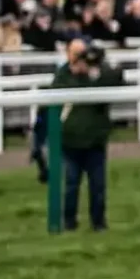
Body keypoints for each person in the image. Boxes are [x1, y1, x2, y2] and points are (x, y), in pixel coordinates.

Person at [49, 39, 124, 232]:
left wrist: (97, 69)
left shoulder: (98, 74)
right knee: (72, 184)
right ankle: (69, 222)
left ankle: (98, 222)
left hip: (95, 139)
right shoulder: (64, 74)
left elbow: (117, 81)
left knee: (98, 185)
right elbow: (55, 95)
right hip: (71, 140)